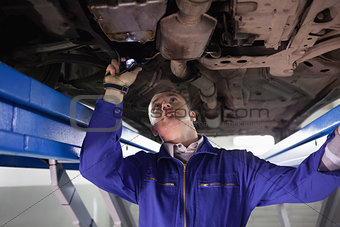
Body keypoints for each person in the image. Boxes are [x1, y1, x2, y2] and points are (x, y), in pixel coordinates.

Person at [79, 59, 340, 227]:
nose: (165, 105)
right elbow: (95, 167)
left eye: (172, 100)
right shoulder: (144, 170)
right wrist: (113, 93)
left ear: (192, 115)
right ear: (154, 129)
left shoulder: (239, 166)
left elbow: (302, 188)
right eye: (156, 107)